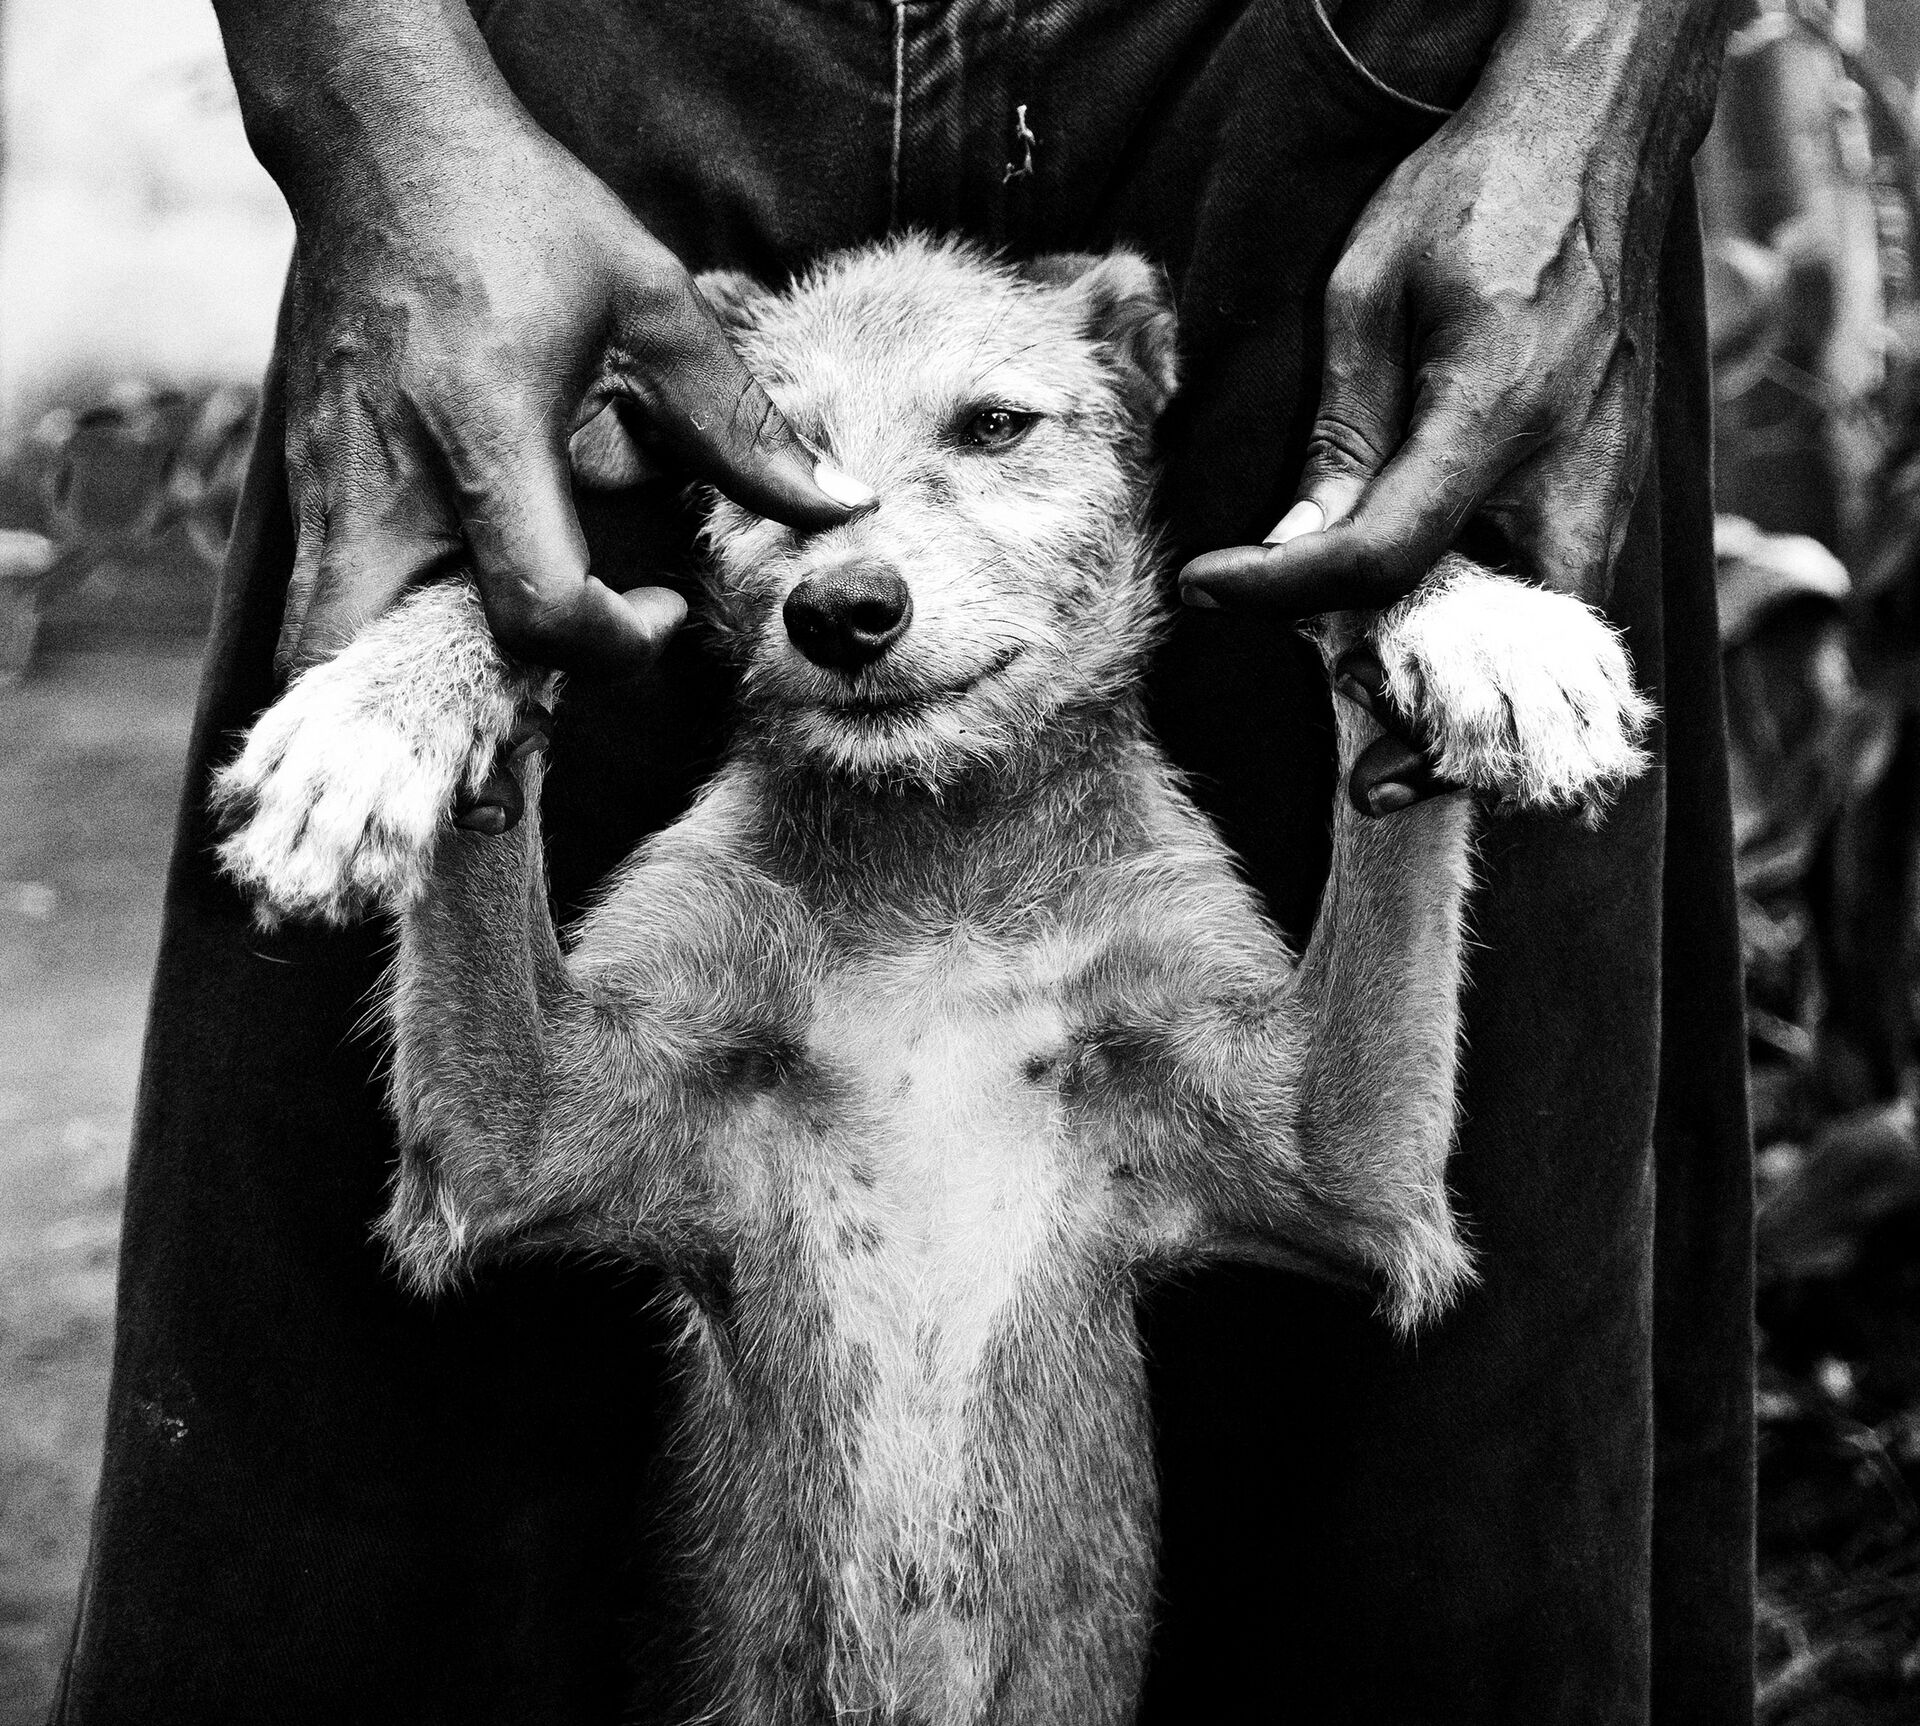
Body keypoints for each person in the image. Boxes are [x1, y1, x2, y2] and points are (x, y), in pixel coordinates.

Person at [54, 1, 1753, 1721]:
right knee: (322, 1503)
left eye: (992, 427)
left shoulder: (1131, 867)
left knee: (1464, 1532)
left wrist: (1407, 681)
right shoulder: (738, 882)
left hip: (1350, 64)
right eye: (782, 461)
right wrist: (472, 667)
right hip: (562, 72)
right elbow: (493, 1163)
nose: (848, 563)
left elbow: (1361, 1182)